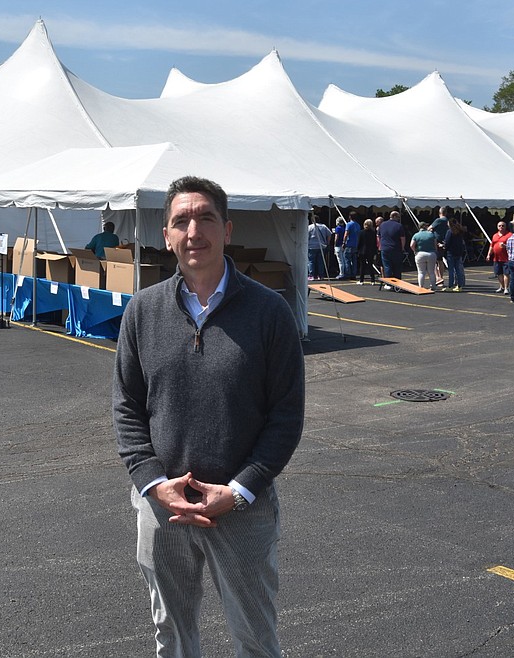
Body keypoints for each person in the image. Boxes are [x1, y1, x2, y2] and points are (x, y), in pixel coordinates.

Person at [113, 176, 304, 657]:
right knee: (171, 636)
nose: (194, 230)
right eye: (182, 221)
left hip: (242, 507)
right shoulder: (142, 311)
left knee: (255, 639)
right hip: (163, 508)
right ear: (166, 236)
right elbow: (128, 407)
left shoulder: (269, 311)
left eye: (206, 218)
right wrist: (155, 484)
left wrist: (240, 490)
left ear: (227, 229)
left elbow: (286, 414)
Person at [377, 210, 406, 285]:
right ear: (395, 216)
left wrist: (380, 246)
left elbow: (378, 236)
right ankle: (397, 283)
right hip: (396, 248)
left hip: (385, 248)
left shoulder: (382, 225)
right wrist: (402, 248)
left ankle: (388, 283)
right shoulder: (399, 226)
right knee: (397, 266)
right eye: (398, 217)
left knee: (387, 266)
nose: (398, 219)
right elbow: (402, 238)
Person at [409, 221, 439, 290]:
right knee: (431, 272)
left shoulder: (416, 235)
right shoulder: (431, 234)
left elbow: (411, 245)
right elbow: (435, 245)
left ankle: (421, 287)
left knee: (421, 272)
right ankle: (433, 286)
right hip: (431, 254)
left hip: (420, 254)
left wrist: (415, 251)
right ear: (425, 226)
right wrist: (435, 252)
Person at [485, 221, 511, 294]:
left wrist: (505, 246)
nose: (501, 227)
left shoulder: (509, 235)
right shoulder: (495, 235)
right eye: (499, 226)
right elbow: (492, 246)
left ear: (505, 227)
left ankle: (506, 288)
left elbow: (512, 246)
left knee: (506, 273)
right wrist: (488, 255)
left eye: (503, 226)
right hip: (496, 258)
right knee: (499, 273)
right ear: (497, 227)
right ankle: (501, 287)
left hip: (506, 258)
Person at [442, 220, 467, 292]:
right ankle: (459, 285)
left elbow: (447, 242)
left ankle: (450, 285)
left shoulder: (449, 232)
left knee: (451, 270)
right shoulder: (460, 231)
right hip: (458, 253)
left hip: (451, 253)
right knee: (458, 270)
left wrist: (443, 247)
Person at [306, 216, 331, 280]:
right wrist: (327, 243)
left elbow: (306, 236)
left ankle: (311, 275)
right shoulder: (324, 226)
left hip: (311, 246)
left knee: (311, 261)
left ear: (312, 220)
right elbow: (329, 234)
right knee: (321, 261)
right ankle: (321, 275)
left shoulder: (310, 227)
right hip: (321, 246)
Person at [357, 218, 379, 284]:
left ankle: (361, 280)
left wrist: (357, 250)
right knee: (370, 265)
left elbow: (359, 242)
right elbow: (375, 243)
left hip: (362, 251)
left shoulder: (361, 232)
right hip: (370, 251)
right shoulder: (373, 233)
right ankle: (373, 280)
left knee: (362, 266)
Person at [342, 211, 361, 279]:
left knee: (347, 259)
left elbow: (346, 234)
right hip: (355, 244)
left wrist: (344, 242)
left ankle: (348, 273)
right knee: (354, 260)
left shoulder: (349, 224)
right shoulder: (358, 225)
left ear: (350, 217)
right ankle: (353, 274)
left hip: (349, 244)